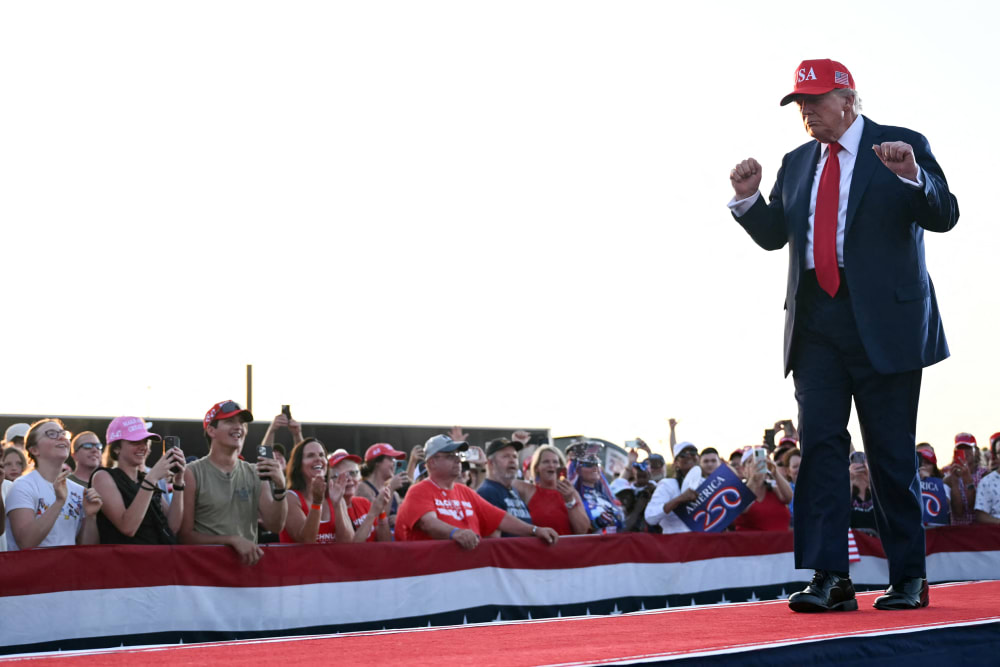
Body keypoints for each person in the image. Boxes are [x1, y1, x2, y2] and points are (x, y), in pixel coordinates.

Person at [728, 58, 958, 612]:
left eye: (816, 100)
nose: (806, 112)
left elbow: (944, 214)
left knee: (890, 455)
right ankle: (831, 578)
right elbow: (774, 236)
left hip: (886, 325)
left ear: (849, 99)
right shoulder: (797, 161)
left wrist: (910, 176)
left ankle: (908, 578)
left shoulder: (900, 145)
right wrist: (748, 200)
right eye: (799, 104)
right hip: (816, 326)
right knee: (821, 451)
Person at [394, 434, 558, 548]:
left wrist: (535, 530)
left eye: (458, 454)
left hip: (465, 574)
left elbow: (500, 518)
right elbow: (428, 523)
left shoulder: (465, 492)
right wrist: (455, 533)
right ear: (431, 463)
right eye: (450, 455)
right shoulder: (419, 490)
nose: (458, 459)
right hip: (431, 576)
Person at [179, 401, 287, 565]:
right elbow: (185, 536)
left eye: (242, 423)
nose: (239, 427)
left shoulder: (255, 473)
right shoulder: (192, 472)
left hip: (245, 573)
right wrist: (232, 540)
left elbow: (275, 526)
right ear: (211, 430)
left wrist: (280, 488)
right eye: (230, 421)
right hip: (204, 576)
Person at [4, 419, 103, 550]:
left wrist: (90, 516)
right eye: (51, 434)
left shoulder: (79, 491)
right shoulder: (22, 486)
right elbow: (26, 542)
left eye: (63, 433)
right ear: (34, 450)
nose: (62, 437)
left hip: (67, 569)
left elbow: (87, 550)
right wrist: (59, 502)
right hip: (32, 569)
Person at [90, 416, 186, 544]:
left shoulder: (146, 480)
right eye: (135, 442)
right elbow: (127, 528)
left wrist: (178, 483)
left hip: (158, 558)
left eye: (145, 441)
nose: (143, 447)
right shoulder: (103, 477)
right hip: (127, 560)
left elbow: (172, 527)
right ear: (116, 448)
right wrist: (151, 478)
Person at [279, 437, 351, 544]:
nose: (318, 459)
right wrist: (317, 503)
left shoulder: (335, 494)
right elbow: (307, 540)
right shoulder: (290, 498)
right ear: (298, 465)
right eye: (310, 455)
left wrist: (337, 505)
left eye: (322, 455)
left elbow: (347, 542)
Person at [519, 444, 590, 535]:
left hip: (566, 548)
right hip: (537, 548)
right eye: (546, 462)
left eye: (555, 462)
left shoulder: (571, 492)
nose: (551, 465)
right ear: (537, 467)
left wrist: (570, 501)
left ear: (561, 467)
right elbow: (504, 480)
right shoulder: (528, 490)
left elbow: (582, 530)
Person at [330, 450, 392, 542]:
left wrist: (381, 511)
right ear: (329, 481)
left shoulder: (364, 503)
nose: (349, 479)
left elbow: (386, 542)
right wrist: (372, 514)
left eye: (353, 473)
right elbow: (350, 550)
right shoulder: (326, 510)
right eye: (340, 476)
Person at [476, 438, 533, 536]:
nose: (512, 461)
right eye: (506, 456)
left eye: (515, 456)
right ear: (491, 463)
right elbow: (493, 536)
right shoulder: (487, 493)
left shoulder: (514, 491)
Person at [567, 440, 625, 534]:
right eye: (589, 464)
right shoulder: (571, 498)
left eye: (597, 463)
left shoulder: (606, 498)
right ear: (576, 469)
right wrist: (596, 523)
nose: (595, 468)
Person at [645, 442, 703, 534]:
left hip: (703, 542)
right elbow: (650, 518)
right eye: (683, 454)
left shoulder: (707, 483)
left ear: (698, 458)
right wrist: (678, 500)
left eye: (693, 452)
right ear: (676, 463)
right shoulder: (667, 485)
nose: (689, 456)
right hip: (675, 543)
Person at [732, 448, 793, 532]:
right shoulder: (737, 492)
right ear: (743, 470)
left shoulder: (774, 489)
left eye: (759, 460)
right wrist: (754, 479)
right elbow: (740, 508)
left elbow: (789, 498)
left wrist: (775, 472)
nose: (756, 464)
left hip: (780, 542)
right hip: (752, 543)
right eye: (750, 462)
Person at [356, 442, 409, 532]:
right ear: (377, 462)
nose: (394, 463)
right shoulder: (362, 488)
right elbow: (375, 520)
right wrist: (391, 488)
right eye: (390, 458)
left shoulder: (395, 494)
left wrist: (399, 519)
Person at [944, 433, 987, 526]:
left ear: (975, 451)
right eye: (960, 448)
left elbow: (974, 508)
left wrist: (968, 480)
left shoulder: (984, 474)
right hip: (958, 532)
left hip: (980, 530)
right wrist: (954, 483)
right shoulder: (949, 476)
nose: (964, 452)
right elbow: (958, 512)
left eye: (968, 448)